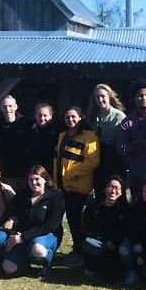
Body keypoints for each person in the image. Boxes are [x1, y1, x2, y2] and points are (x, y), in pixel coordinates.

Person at [53, 106, 99, 266]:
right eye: (67, 117)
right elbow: (57, 160)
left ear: (82, 117)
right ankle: (77, 250)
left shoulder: (89, 136)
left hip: (80, 187)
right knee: (71, 221)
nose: (70, 120)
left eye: (74, 117)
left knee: (79, 222)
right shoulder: (62, 136)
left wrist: (71, 174)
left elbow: (92, 161)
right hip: (63, 186)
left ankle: (83, 253)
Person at [2, 164, 65, 277]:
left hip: (46, 235)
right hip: (22, 236)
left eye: (37, 179)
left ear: (45, 179)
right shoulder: (22, 195)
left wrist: (23, 237)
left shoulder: (56, 197)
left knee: (38, 249)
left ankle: (47, 261)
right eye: (31, 179)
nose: (34, 182)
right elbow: (11, 213)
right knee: (8, 268)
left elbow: (50, 226)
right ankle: (25, 263)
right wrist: (12, 220)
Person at [81, 175, 131, 280]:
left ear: (121, 192)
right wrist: (103, 240)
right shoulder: (94, 207)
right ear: (105, 189)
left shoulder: (125, 210)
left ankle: (129, 272)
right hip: (100, 242)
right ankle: (91, 268)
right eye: (110, 187)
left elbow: (127, 231)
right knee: (89, 243)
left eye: (116, 188)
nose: (113, 191)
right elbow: (88, 227)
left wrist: (114, 242)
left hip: (116, 245)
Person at [87, 83, 126, 194]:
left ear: (109, 96)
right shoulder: (92, 117)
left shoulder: (119, 116)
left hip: (115, 160)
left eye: (103, 96)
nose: (100, 99)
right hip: (97, 160)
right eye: (97, 97)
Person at [0, 95, 30, 190]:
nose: (7, 109)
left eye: (10, 106)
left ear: (16, 106)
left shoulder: (26, 123)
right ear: (1, 108)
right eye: (4, 107)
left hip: (24, 173)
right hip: (5, 173)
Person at [25, 102, 59, 174]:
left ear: (51, 116)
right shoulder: (30, 130)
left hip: (52, 169)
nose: (42, 118)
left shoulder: (57, 131)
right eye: (39, 115)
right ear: (35, 116)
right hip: (35, 169)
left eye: (45, 115)